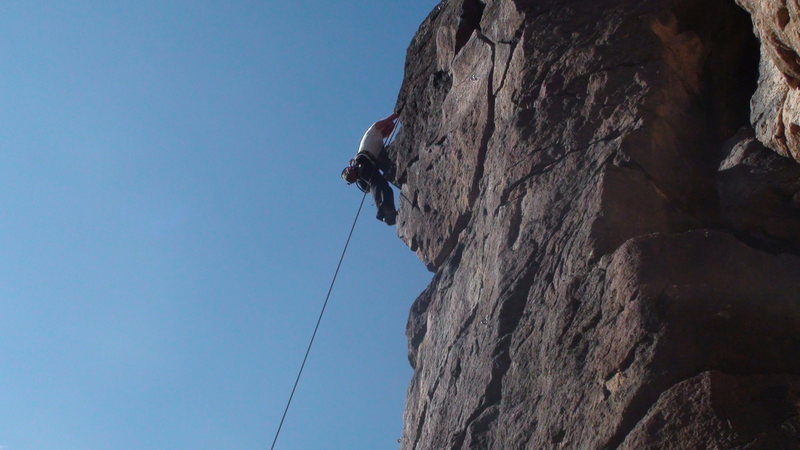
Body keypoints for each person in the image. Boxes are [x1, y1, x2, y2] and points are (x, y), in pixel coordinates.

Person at [341, 112, 399, 225]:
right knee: (378, 184)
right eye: (389, 129)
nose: (389, 132)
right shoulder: (374, 130)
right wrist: (397, 114)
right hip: (364, 163)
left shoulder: (377, 142)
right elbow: (387, 120)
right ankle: (382, 210)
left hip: (365, 164)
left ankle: (388, 212)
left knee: (384, 187)